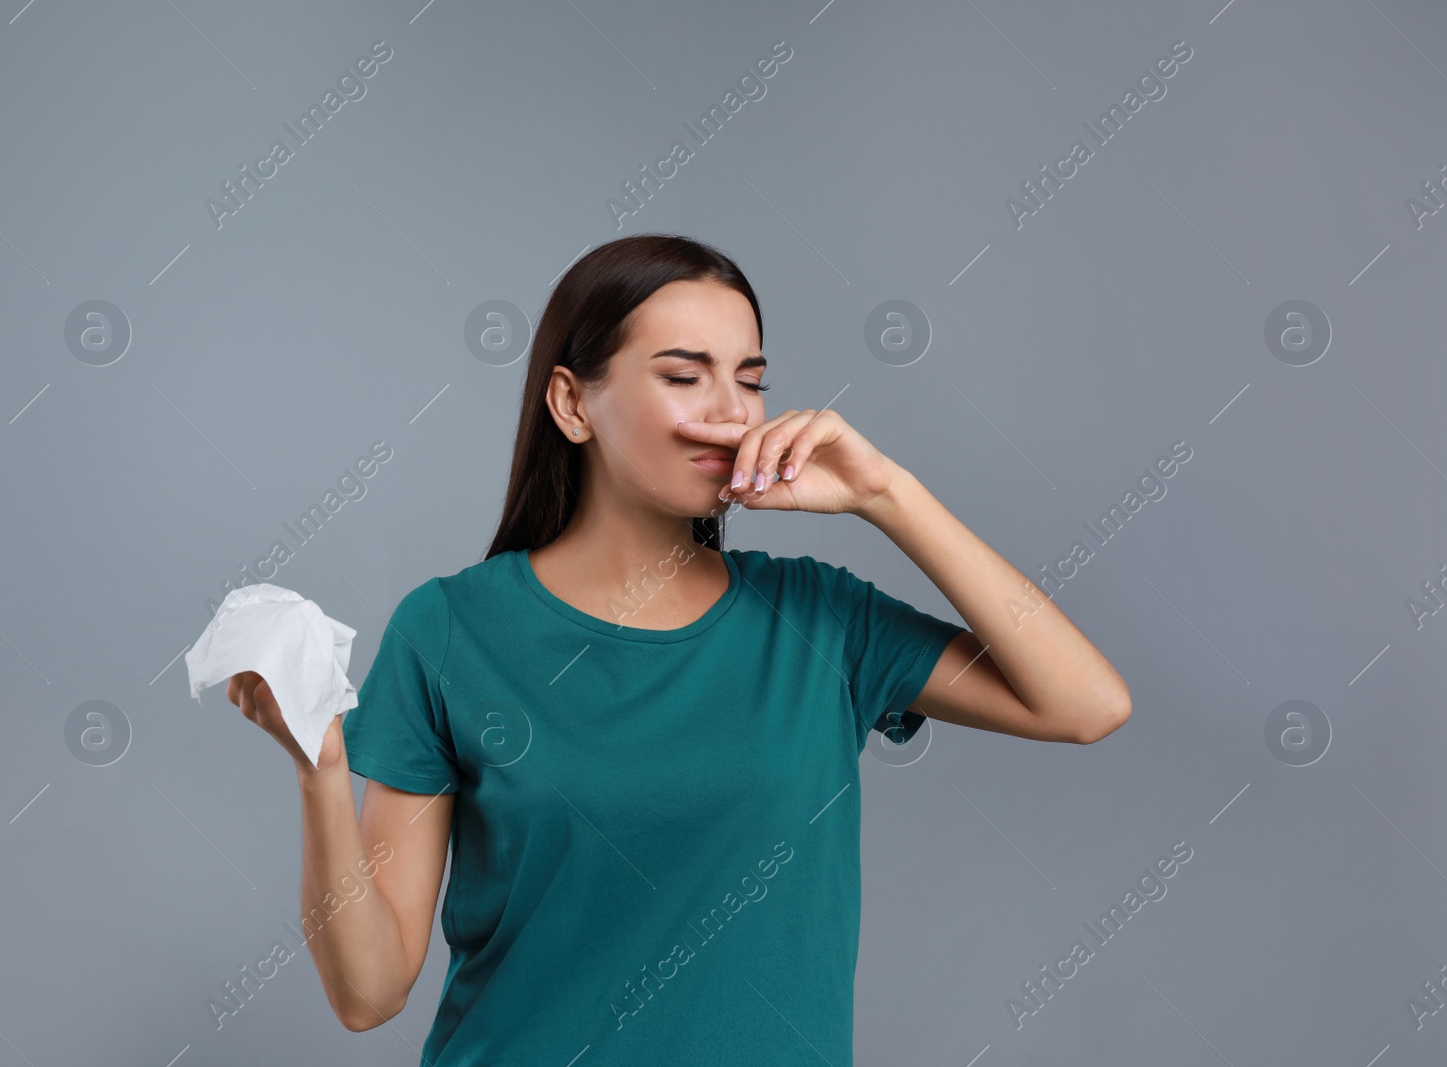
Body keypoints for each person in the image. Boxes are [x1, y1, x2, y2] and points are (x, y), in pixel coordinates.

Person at [225, 233, 1131, 1065]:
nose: (732, 411)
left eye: (750, 376)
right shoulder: (452, 629)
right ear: (573, 403)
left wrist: (886, 494)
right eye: (684, 375)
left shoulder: (821, 620)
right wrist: (320, 770)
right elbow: (368, 991)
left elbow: (1085, 703)